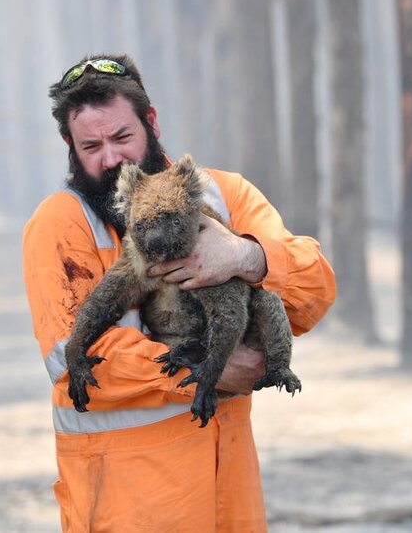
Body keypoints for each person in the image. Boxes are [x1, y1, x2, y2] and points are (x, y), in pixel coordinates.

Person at [22, 54, 336, 532]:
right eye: (91, 145)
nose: (111, 158)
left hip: (230, 499)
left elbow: (315, 289)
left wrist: (245, 257)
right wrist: (201, 370)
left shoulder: (221, 195)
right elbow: (72, 358)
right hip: (125, 508)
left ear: (151, 121)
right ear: (69, 145)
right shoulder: (61, 224)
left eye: (122, 137)